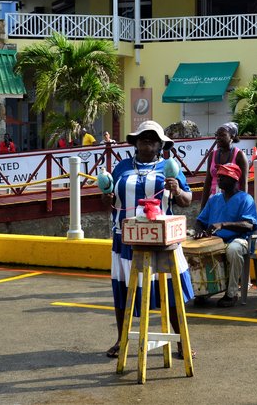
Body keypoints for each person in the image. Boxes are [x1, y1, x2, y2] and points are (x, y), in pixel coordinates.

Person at [100, 120, 195, 359]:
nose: (147, 141)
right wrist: (106, 195)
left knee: (172, 293)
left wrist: (177, 190)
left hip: (163, 240)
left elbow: (187, 200)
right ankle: (122, 340)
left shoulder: (169, 168)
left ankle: (182, 341)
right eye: (143, 137)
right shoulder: (121, 167)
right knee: (124, 291)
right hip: (126, 239)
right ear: (135, 142)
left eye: (153, 138)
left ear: (161, 144)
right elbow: (108, 202)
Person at [194, 162, 257, 307]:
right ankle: (204, 291)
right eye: (219, 176)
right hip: (215, 240)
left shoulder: (246, 199)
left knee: (233, 250)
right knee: (195, 249)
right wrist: (198, 231)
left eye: (223, 177)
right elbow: (200, 221)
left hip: (238, 240)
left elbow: (249, 225)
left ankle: (231, 293)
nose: (219, 179)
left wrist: (223, 224)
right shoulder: (214, 199)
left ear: (234, 179)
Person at [200, 122, 248, 209]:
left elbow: (244, 183)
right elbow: (207, 182)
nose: (218, 138)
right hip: (214, 201)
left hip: (233, 201)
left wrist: (242, 206)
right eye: (217, 135)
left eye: (222, 135)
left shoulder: (239, 155)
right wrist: (202, 208)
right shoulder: (212, 155)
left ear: (232, 137)